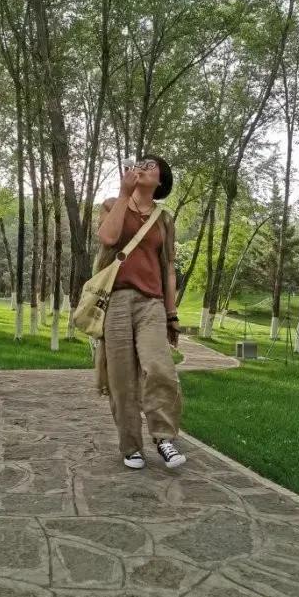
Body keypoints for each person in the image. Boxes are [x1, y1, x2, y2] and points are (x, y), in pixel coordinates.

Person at [93, 154, 186, 470]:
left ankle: (164, 438)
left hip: (151, 303)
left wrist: (172, 313)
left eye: (151, 165)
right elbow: (107, 238)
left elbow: (169, 269)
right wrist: (123, 194)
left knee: (159, 368)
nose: (144, 167)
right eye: (140, 163)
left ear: (160, 181)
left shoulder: (164, 219)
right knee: (121, 379)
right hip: (116, 301)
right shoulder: (112, 204)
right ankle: (131, 446)